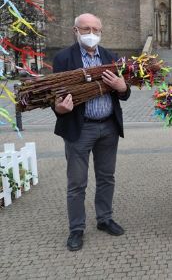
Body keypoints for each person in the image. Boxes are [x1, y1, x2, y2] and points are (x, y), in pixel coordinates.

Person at [52, 13, 131, 251]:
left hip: (108, 126)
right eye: (86, 29)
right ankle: (76, 229)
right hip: (80, 128)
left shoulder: (110, 57)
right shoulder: (64, 58)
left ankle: (104, 219)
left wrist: (122, 86)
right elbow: (54, 95)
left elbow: (125, 94)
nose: (91, 34)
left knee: (107, 177)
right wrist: (59, 108)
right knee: (77, 183)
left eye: (95, 29)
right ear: (75, 31)